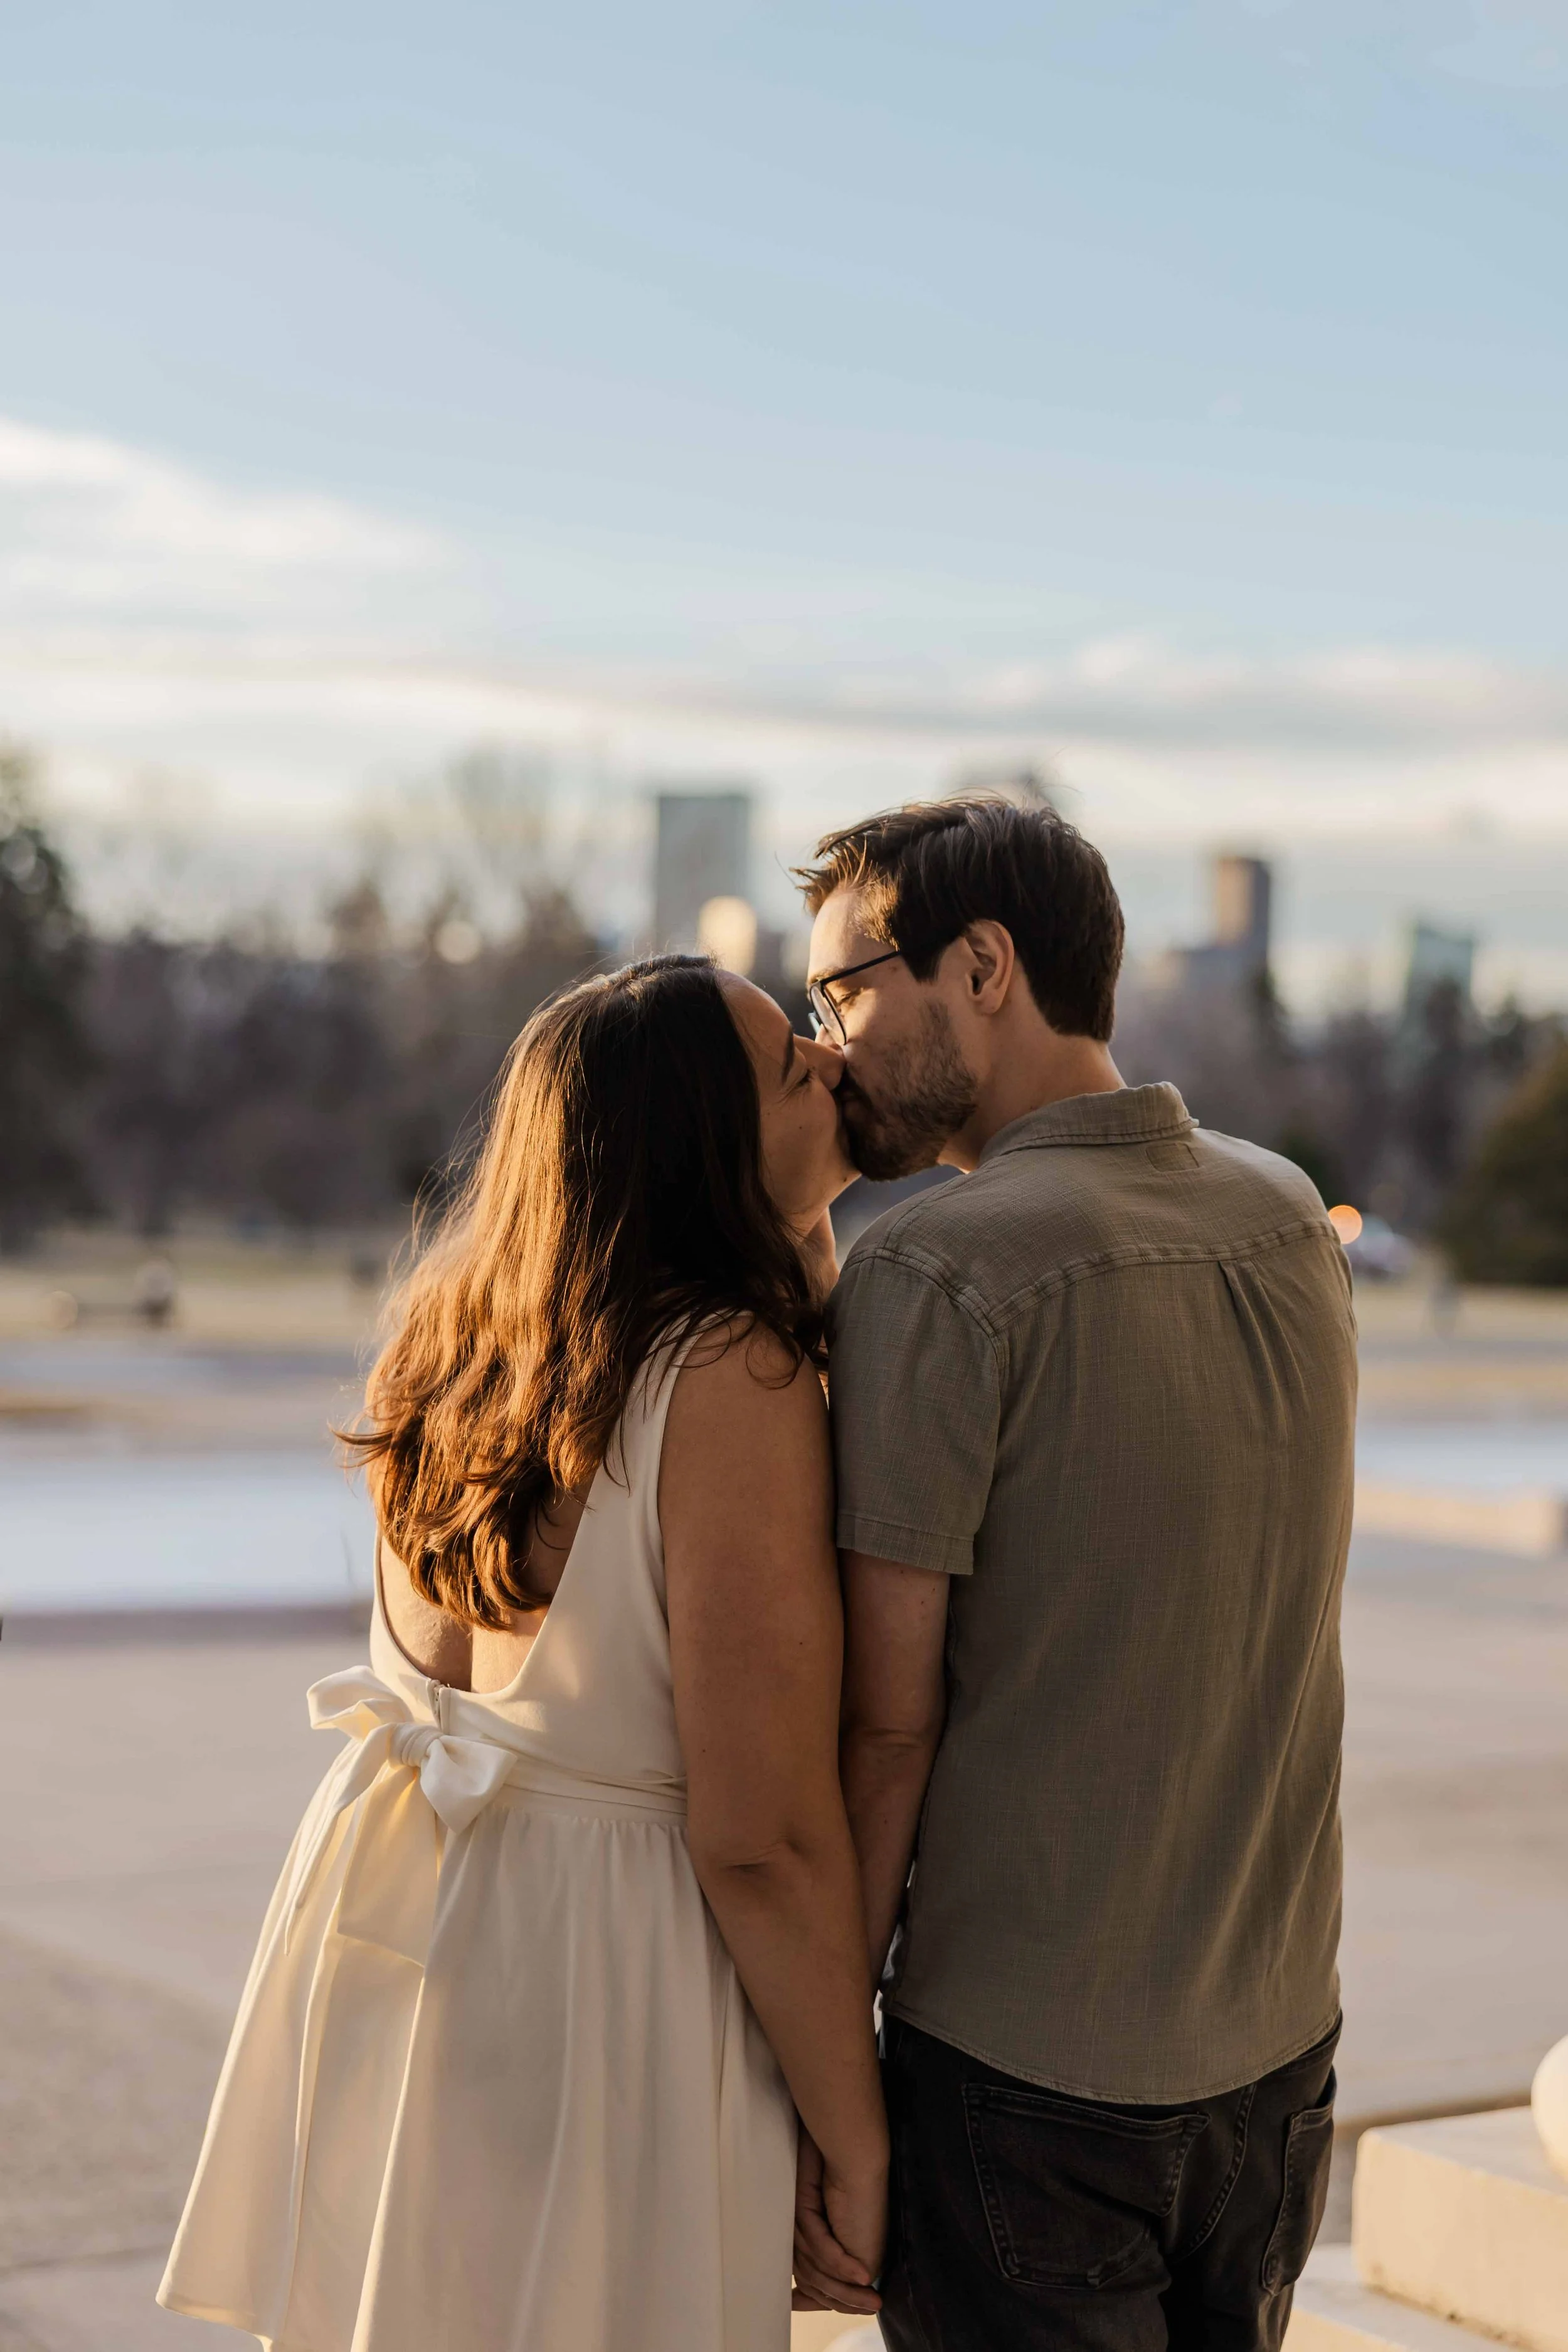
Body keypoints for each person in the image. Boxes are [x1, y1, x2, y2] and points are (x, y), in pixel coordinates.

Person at [158, 955, 887, 2352]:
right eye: (792, 1064)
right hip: (604, 1998)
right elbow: (763, 1838)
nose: (834, 1065)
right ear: (700, 1143)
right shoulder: (726, 1374)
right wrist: (855, 2136)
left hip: (418, 1958)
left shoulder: (447, 1345)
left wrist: (801, 1241)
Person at [790, 798, 1358, 2352]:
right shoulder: (1286, 1216)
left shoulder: (933, 1271)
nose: (827, 1046)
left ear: (981, 967)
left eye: (841, 991)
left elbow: (886, 1731)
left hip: (1027, 2090)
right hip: (1275, 2056)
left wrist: (821, 2089)